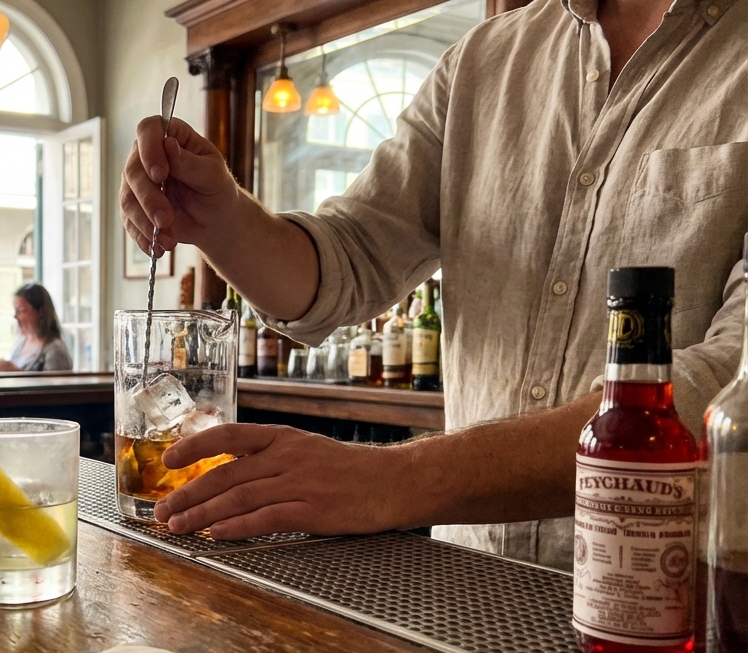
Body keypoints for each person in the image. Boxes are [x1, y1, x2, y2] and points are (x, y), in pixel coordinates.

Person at [120, 0, 746, 569]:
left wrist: (388, 479)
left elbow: (728, 387)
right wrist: (225, 221)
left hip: (678, 610)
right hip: (469, 585)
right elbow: (354, 256)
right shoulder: (482, 61)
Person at [0, 283, 72, 372]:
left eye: (20, 310)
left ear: (40, 312)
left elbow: (57, 384)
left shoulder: (55, 351)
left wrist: (17, 373)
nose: (16, 316)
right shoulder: (20, 344)